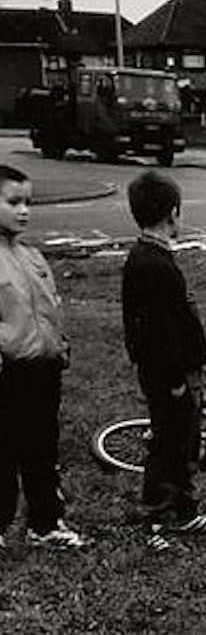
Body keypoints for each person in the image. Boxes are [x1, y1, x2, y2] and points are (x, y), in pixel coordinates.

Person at [121, 170, 206, 553]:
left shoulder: (150, 258)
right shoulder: (152, 264)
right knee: (169, 444)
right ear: (172, 213)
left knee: (185, 441)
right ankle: (159, 519)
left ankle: (185, 511)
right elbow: (157, 331)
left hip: (178, 370)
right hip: (170, 374)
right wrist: (174, 378)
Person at [0, 163, 88, 550]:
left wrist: (60, 346)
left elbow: (50, 306)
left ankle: (45, 523)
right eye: (13, 202)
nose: (24, 211)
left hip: (43, 368)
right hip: (8, 370)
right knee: (4, 454)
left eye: (28, 203)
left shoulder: (32, 257)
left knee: (42, 450)